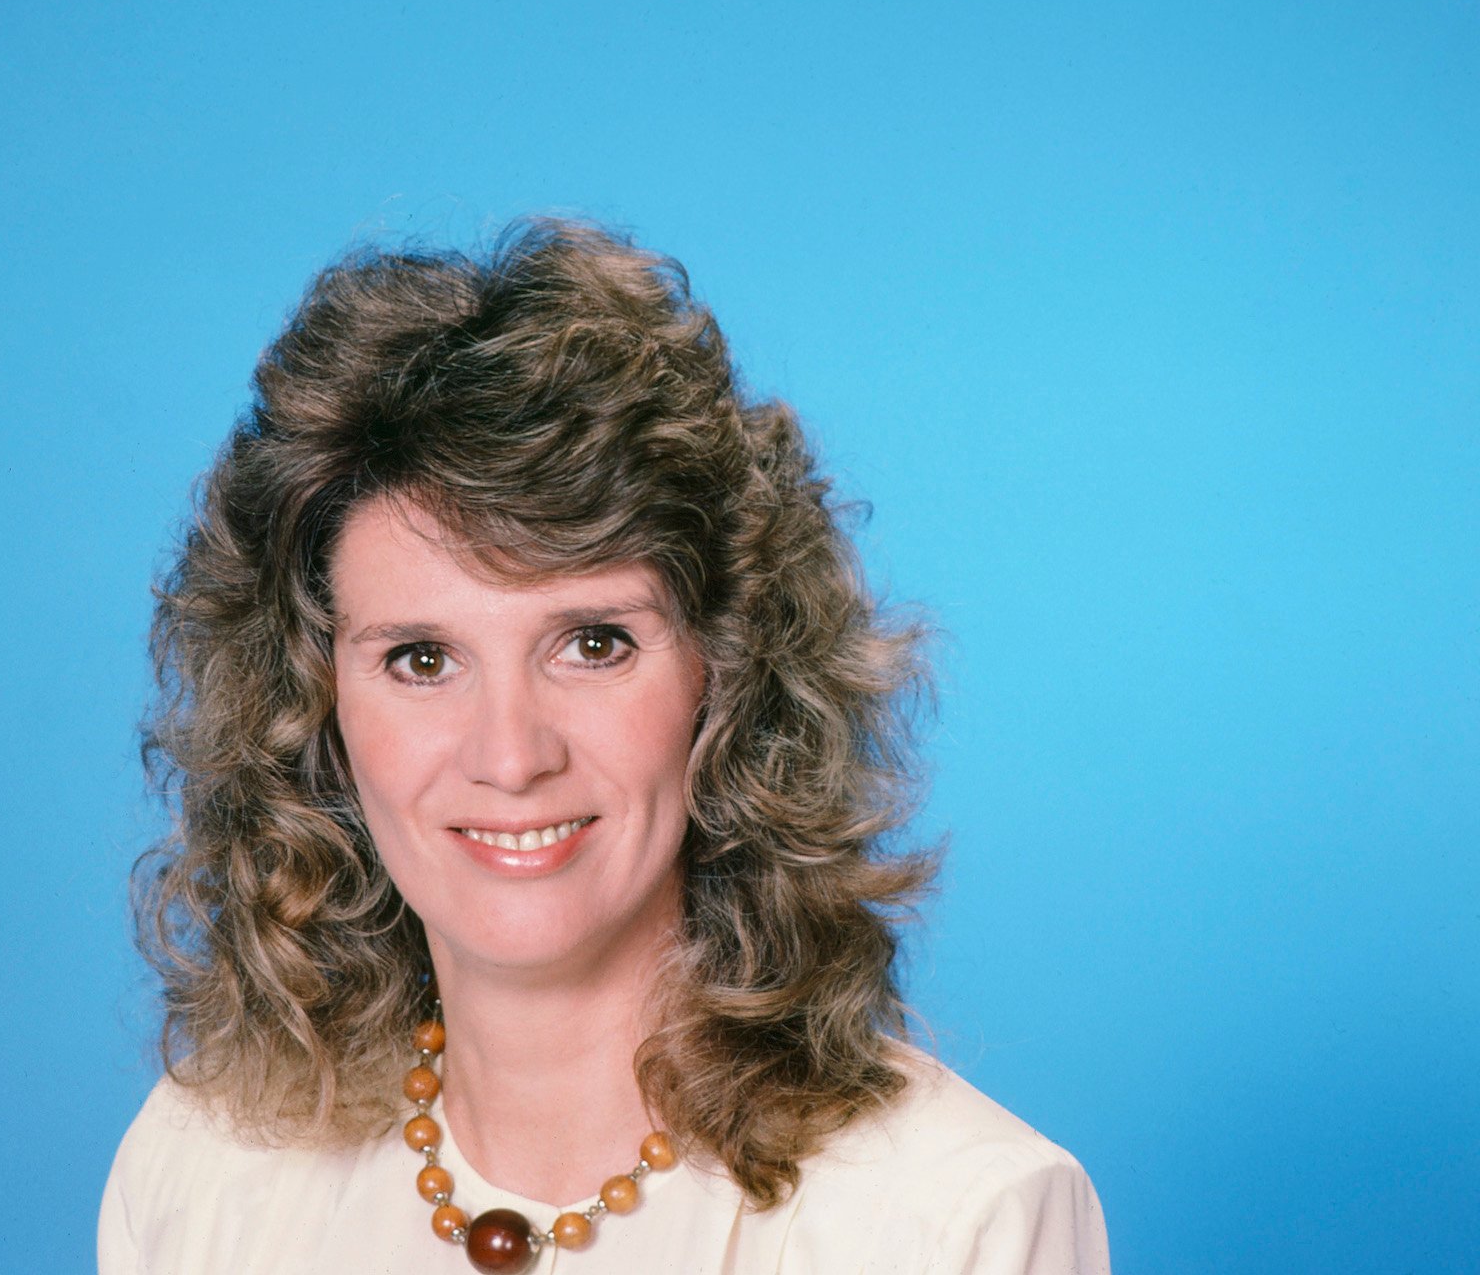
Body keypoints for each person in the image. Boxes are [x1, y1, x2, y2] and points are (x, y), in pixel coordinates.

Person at [99, 219, 1109, 1274]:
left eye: (592, 643)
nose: (509, 756)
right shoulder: (196, 1175)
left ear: (727, 674)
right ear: (313, 706)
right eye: (421, 659)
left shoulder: (957, 1222)